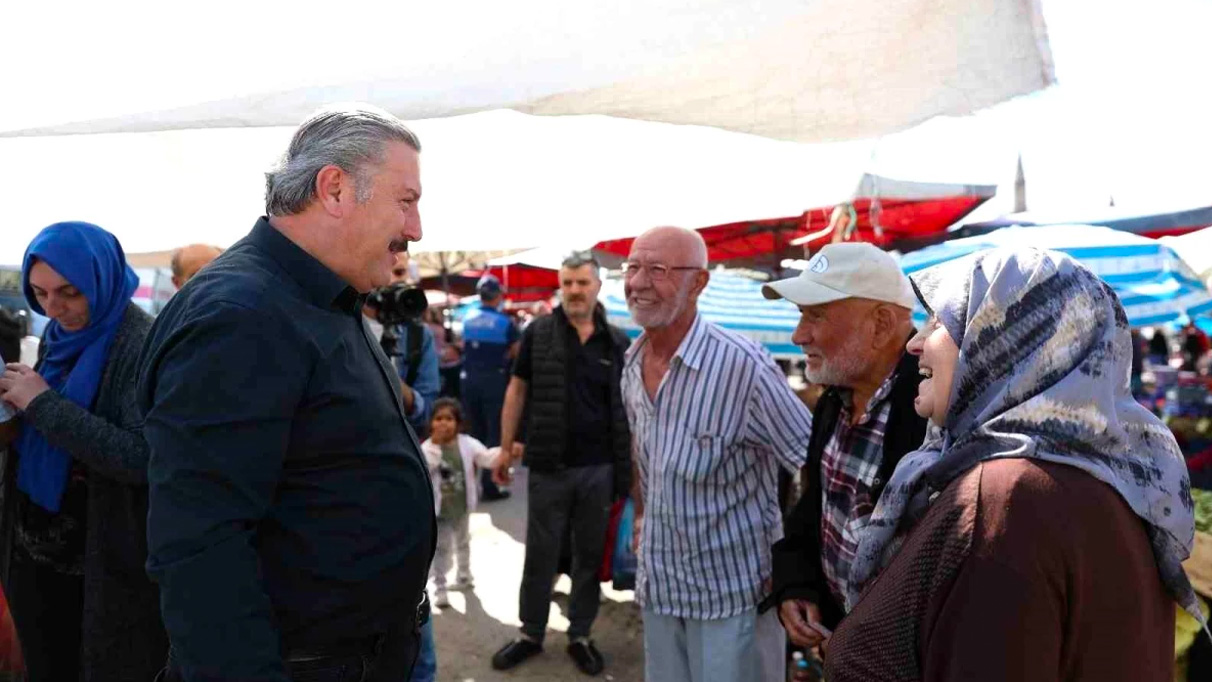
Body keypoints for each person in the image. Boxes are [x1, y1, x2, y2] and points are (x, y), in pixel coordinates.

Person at [137, 104, 435, 682]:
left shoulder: (322, 296)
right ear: (335, 188)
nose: (416, 229)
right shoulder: (241, 315)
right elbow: (201, 548)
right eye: (407, 201)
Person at [824, 247, 1203, 681]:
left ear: (1004, 342)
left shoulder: (1006, 498)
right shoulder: (1114, 477)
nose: (914, 344)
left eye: (938, 323)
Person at [621, 227, 813, 682]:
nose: (638, 282)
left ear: (699, 283)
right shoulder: (632, 362)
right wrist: (643, 518)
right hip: (661, 587)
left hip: (733, 598)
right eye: (632, 267)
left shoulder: (744, 366)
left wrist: (798, 569)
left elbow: (811, 463)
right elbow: (643, 457)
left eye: (658, 269)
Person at [0, 222, 167, 681]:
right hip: (36, 551)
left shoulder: (140, 343)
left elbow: (142, 457)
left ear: (102, 278)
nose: (54, 309)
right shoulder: (60, 336)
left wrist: (41, 403)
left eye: (70, 292)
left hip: (101, 567)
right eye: (40, 294)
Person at [756, 243, 928, 646]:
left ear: (882, 323)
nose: (799, 335)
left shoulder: (934, 411)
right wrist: (797, 584)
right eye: (801, 315)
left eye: (816, 315)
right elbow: (817, 503)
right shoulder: (834, 398)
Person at [490, 252, 632, 676]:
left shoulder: (617, 341)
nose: (574, 291)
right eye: (567, 283)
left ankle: (580, 635)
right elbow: (517, 391)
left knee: (589, 556)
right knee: (541, 554)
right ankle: (530, 633)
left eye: (581, 283)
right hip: (549, 465)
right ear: (560, 286)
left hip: (600, 468)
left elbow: (632, 407)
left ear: (597, 286)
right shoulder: (539, 332)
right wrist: (504, 446)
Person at [422, 398, 501, 608]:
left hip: (462, 507)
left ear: (458, 423)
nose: (443, 423)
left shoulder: (466, 443)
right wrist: (436, 446)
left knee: (463, 543)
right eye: (438, 419)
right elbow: (425, 467)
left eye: (449, 418)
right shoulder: (427, 448)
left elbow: (486, 458)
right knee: (441, 550)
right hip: (440, 511)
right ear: (431, 423)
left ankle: (464, 577)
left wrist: (505, 452)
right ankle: (440, 589)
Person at [363, 252, 441, 436]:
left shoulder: (419, 335)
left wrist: (393, 383)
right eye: (383, 269)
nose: (391, 280)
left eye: (399, 272)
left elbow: (428, 411)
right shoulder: (343, 325)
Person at [460, 274, 519, 500]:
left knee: (475, 433)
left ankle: (470, 485)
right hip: (493, 381)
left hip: (469, 381)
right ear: (497, 296)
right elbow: (516, 350)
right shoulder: (505, 322)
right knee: (494, 431)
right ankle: (491, 485)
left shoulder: (467, 317)